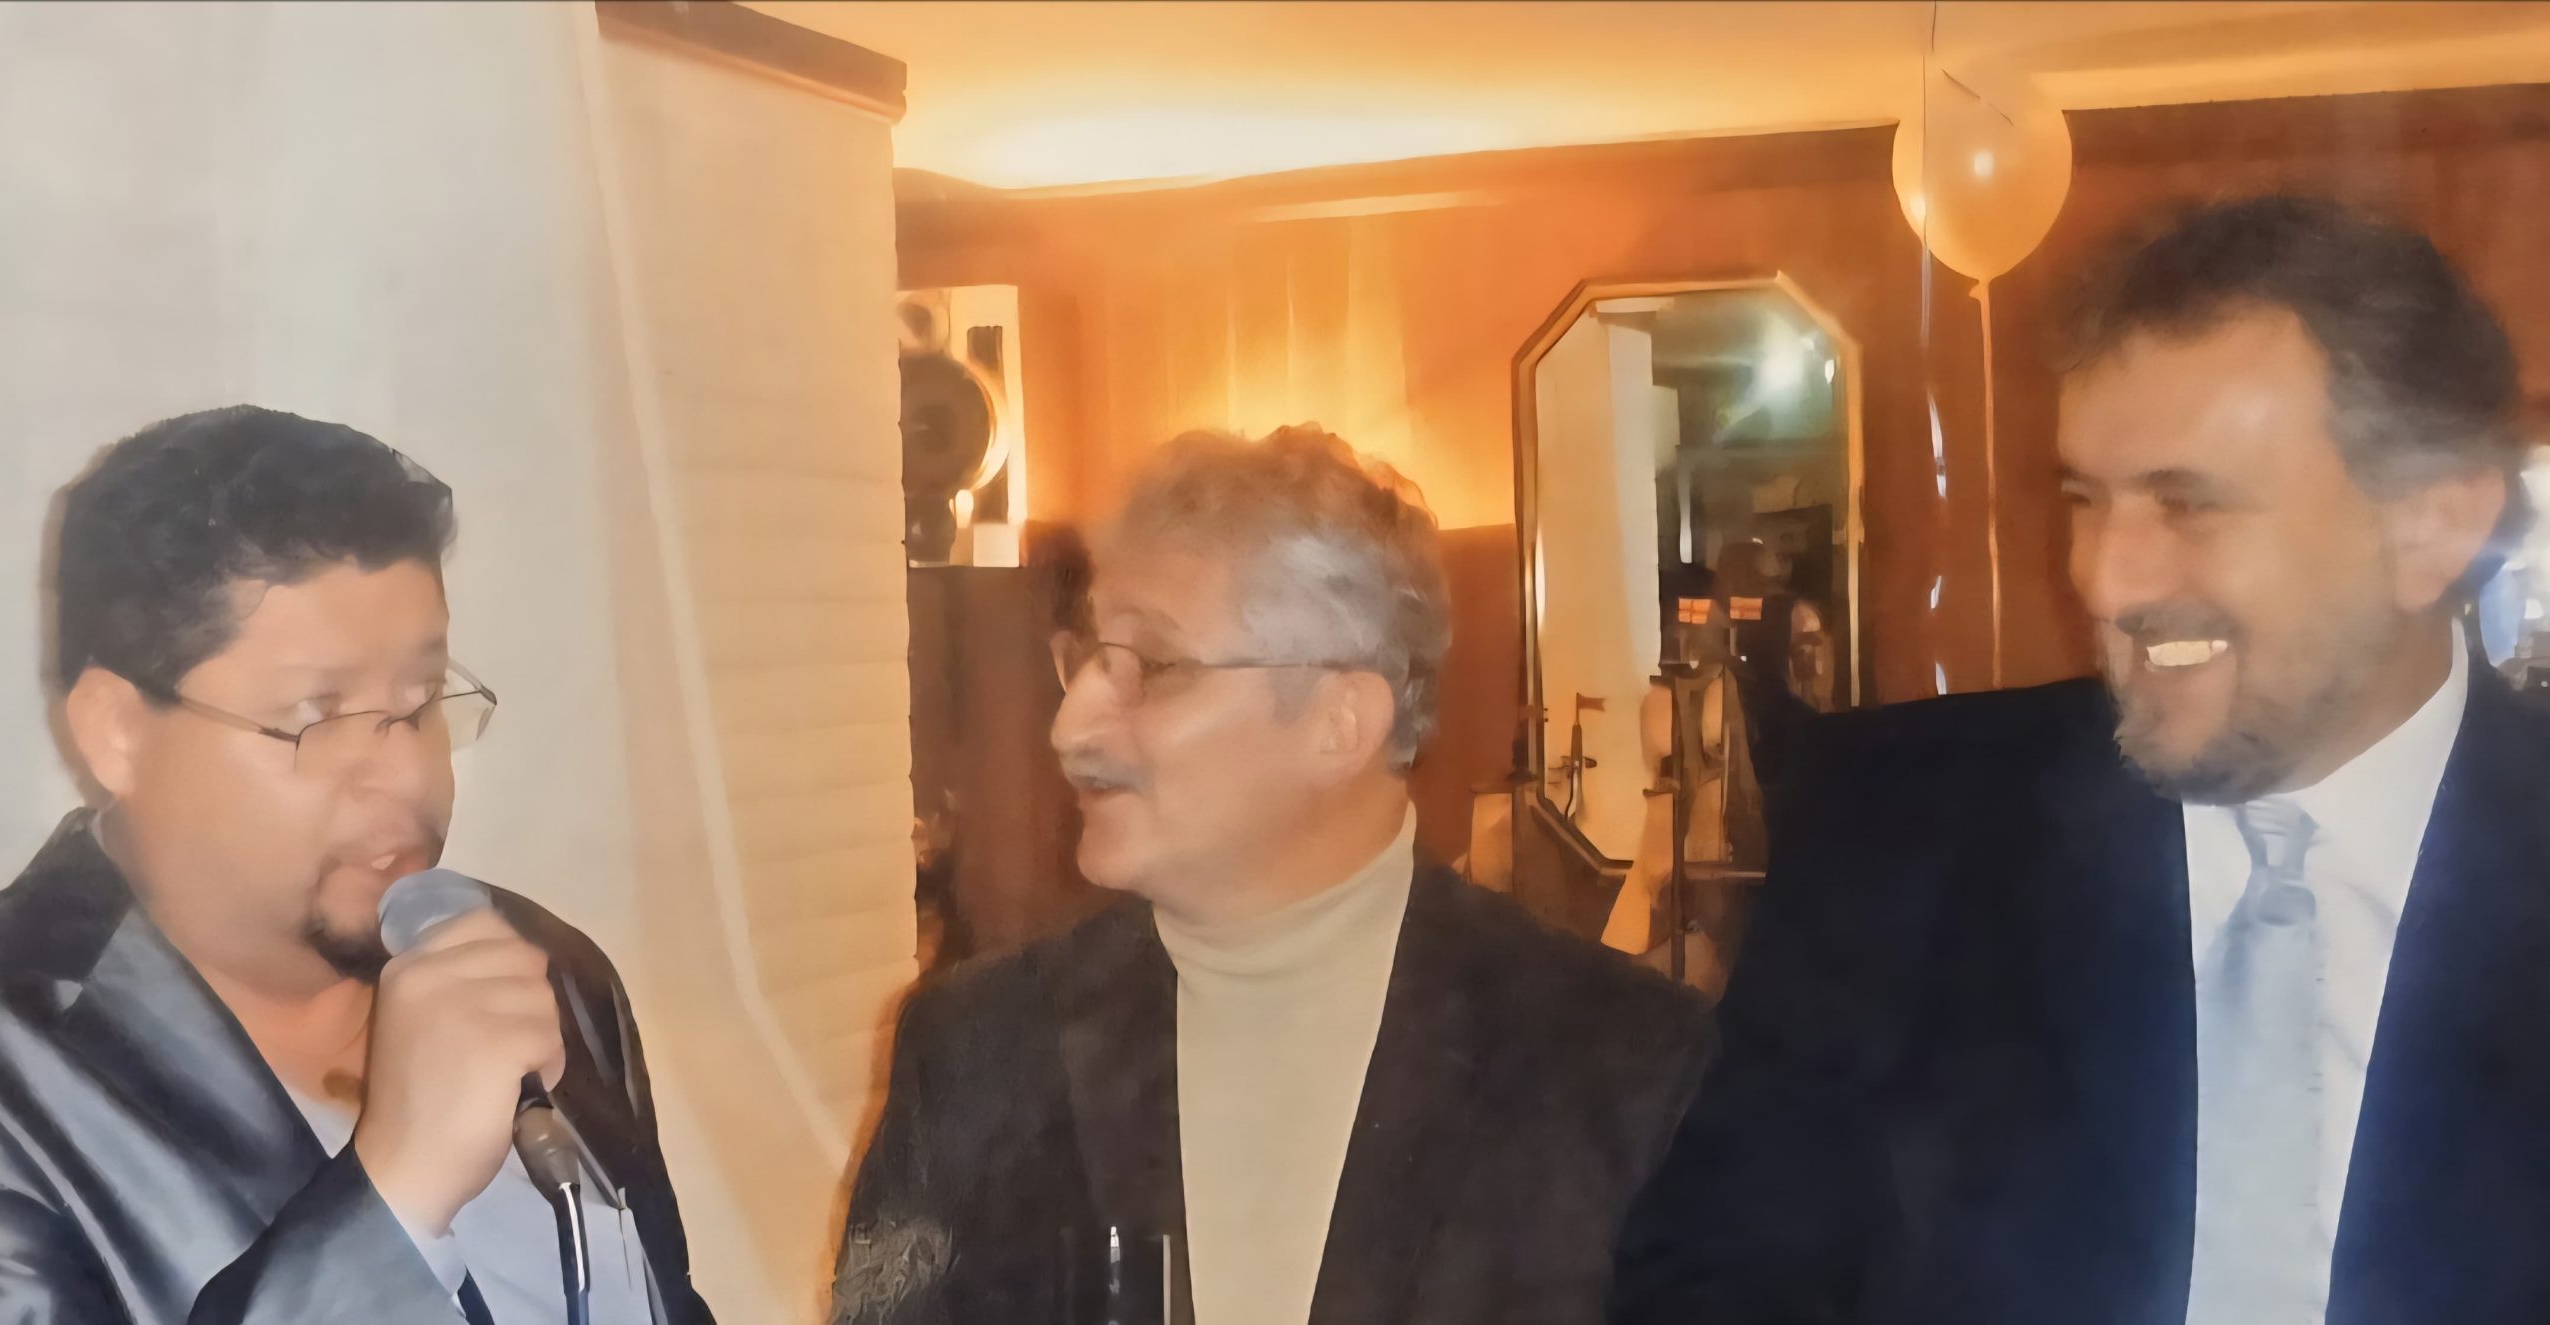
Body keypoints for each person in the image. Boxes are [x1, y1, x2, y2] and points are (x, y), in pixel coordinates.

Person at [1608, 194, 2550, 1325]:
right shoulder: (1901, 828)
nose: (2106, 580)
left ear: (2432, 528)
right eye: (2085, 501)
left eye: (2188, 505)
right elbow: (1712, 1283)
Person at [834, 426, 1713, 1325]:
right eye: (1089, 659)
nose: (1072, 727)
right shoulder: (977, 1050)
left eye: (1153, 667)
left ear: (1340, 722)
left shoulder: (1622, 1066)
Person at [0, 407, 713, 1323]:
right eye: (318, 718)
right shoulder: (15, 1081)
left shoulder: (544, 966)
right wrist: (394, 1196)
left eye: (421, 698)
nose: (409, 775)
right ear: (118, 732)